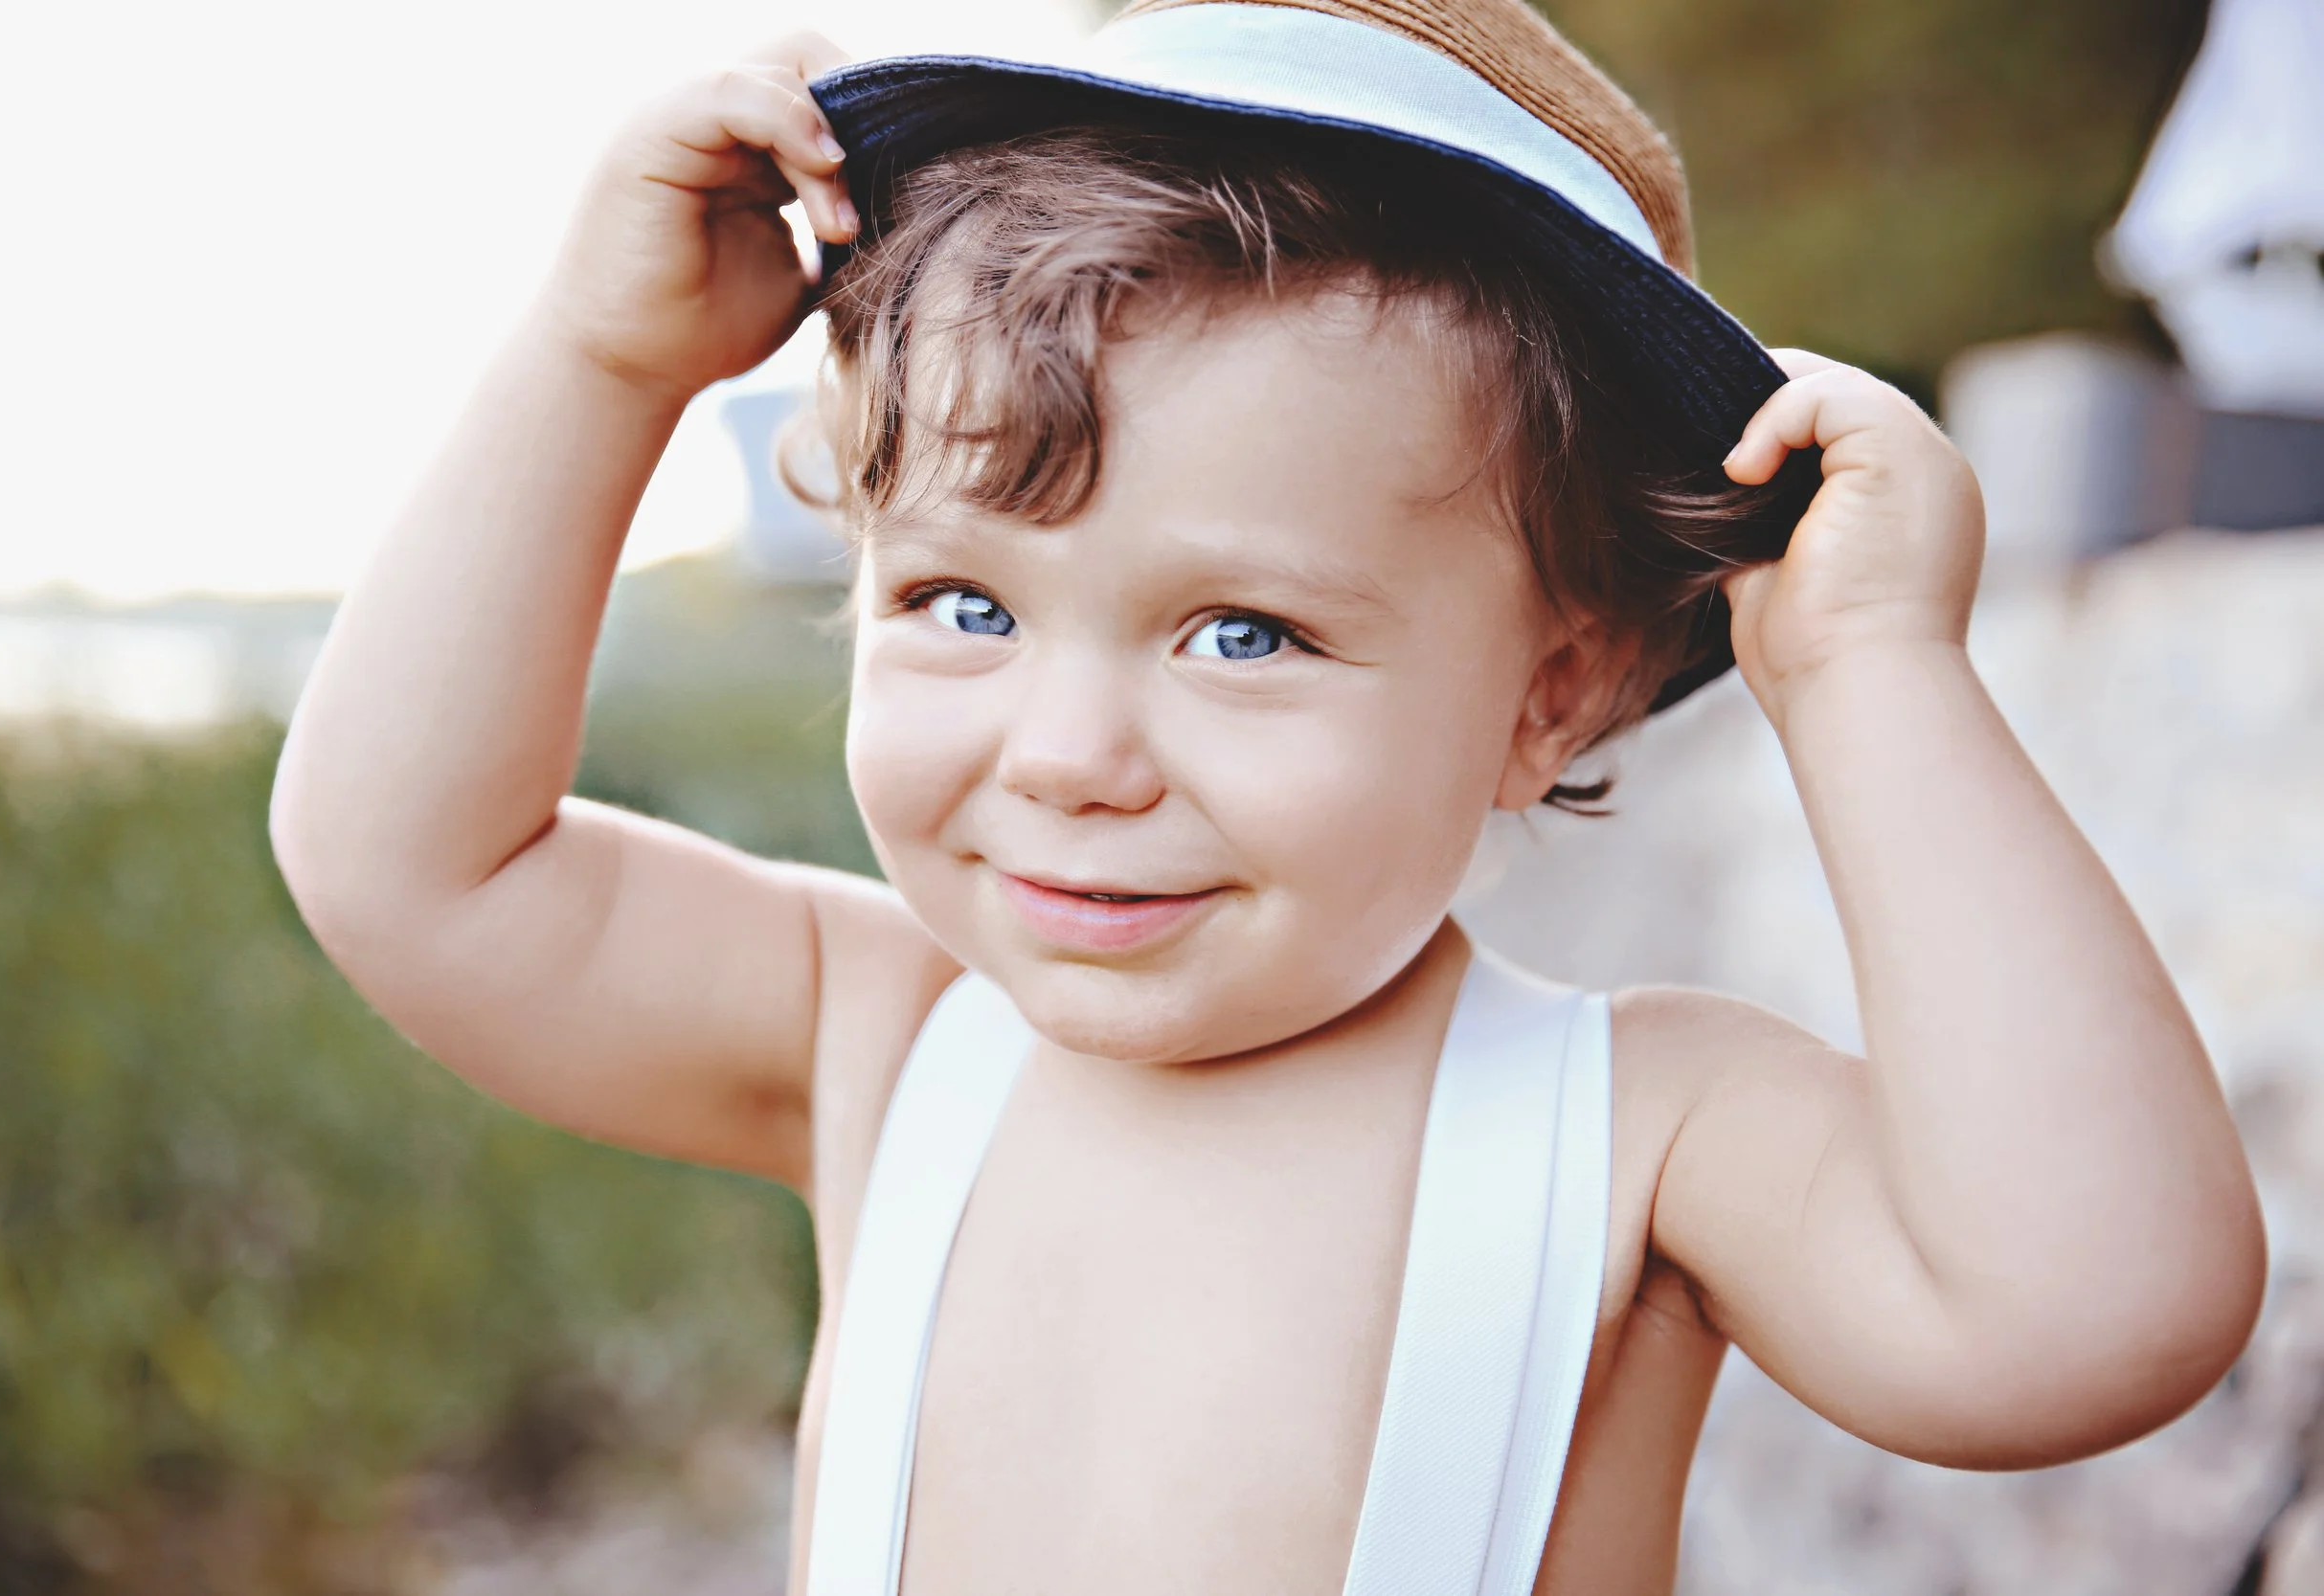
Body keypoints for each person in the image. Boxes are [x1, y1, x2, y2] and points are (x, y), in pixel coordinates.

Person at [267, 1, 2268, 1589]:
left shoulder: (1637, 1129)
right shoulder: (877, 1028)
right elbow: (407, 862)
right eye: (963, 600)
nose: (1063, 754)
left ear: (1546, 696)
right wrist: (600, 361)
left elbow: (2093, 1311)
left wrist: (1869, 679)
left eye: (1240, 633)